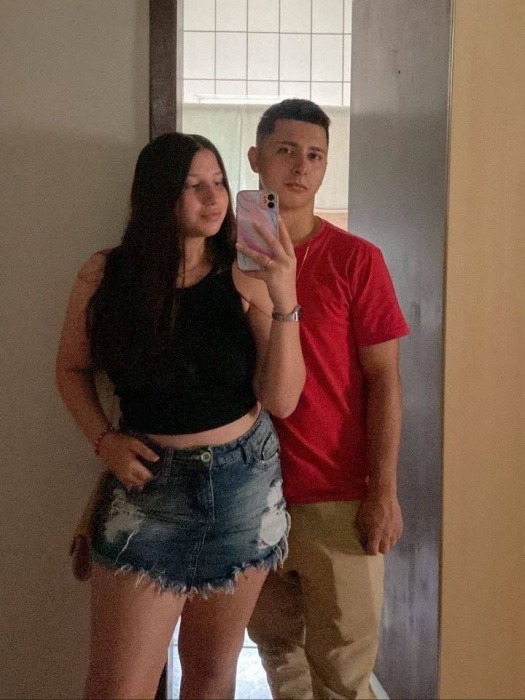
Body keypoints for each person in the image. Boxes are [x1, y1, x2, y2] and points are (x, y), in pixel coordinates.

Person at [55, 132, 305, 700]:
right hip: (147, 488)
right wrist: (103, 440)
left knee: (211, 676)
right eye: (194, 186)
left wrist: (284, 297)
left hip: (243, 484)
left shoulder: (243, 274)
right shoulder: (106, 275)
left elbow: (283, 398)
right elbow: (70, 369)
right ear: (158, 195)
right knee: (117, 688)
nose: (213, 198)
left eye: (218, 183)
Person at [246, 99, 410, 699]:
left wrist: (383, 488)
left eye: (315, 155)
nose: (301, 166)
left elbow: (385, 379)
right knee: (278, 655)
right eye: (286, 150)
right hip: (247, 493)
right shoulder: (220, 261)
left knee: (343, 674)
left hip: (337, 493)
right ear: (256, 158)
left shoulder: (357, 260)